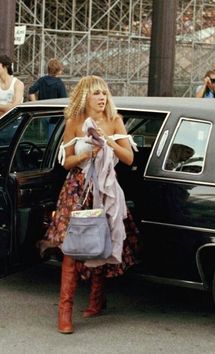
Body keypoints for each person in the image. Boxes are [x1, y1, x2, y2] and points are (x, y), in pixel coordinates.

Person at [38, 75, 139, 334]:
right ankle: (65, 312)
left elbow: (128, 158)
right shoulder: (74, 122)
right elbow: (66, 162)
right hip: (78, 189)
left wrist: (110, 141)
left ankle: (96, 300)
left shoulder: (115, 120)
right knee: (72, 249)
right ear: (85, 96)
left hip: (106, 191)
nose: (102, 98)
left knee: (100, 243)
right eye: (96, 93)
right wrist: (87, 153)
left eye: (104, 93)